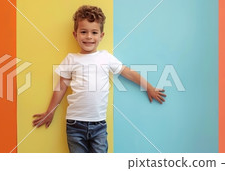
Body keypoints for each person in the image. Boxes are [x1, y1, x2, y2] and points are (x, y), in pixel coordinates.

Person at [32, 5, 166, 153]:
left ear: (101, 36)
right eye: (83, 32)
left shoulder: (106, 57)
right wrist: (51, 111)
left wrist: (149, 87)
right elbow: (61, 86)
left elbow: (128, 73)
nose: (89, 36)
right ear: (75, 35)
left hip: (99, 126)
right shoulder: (71, 59)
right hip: (75, 125)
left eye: (94, 32)